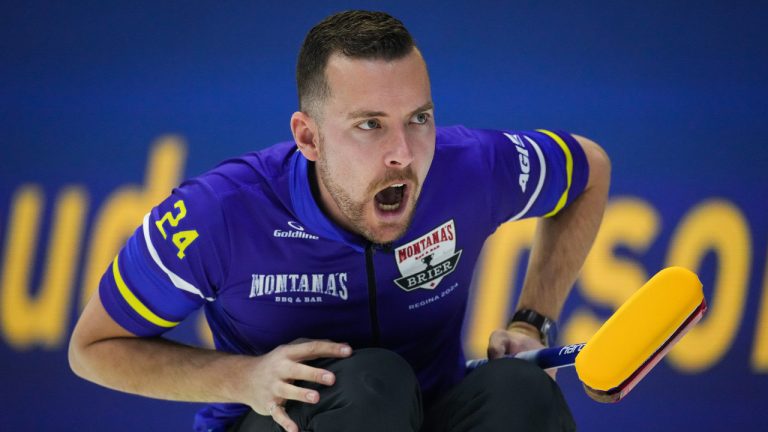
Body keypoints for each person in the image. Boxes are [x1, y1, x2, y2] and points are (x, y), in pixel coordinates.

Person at [69, 9, 610, 432]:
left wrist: (531, 323)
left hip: (429, 410)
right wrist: (245, 377)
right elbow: (92, 350)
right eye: (370, 125)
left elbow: (590, 170)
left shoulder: (469, 168)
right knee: (374, 385)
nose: (404, 153)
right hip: (276, 422)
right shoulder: (219, 213)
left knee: (521, 390)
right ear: (308, 137)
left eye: (419, 119)